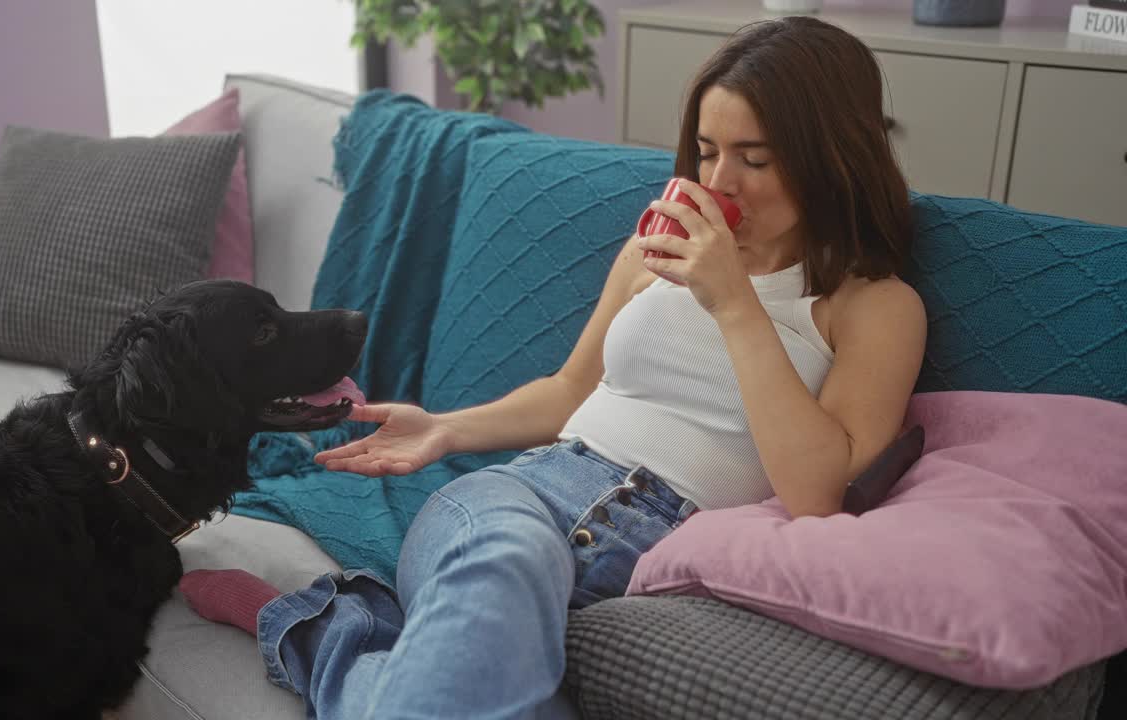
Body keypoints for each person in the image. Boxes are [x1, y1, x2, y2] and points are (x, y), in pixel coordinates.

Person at [179, 15, 927, 719]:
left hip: (659, 564)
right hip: (519, 500)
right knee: (508, 558)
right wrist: (443, 429)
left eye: (754, 158)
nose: (719, 181)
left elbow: (819, 494)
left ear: (830, 157)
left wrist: (736, 303)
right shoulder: (650, 254)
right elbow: (572, 390)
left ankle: (325, 637)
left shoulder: (870, 306)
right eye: (706, 151)